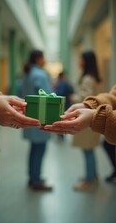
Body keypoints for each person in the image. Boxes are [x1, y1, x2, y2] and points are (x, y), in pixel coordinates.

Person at [43, 51, 102, 191]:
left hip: (87, 118)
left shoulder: (88, 78)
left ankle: (88, 180)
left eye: (81, 59)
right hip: (92, 117)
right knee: (90, 149)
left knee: (87, 149)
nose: (79, 61)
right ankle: (92, 175)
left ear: (86, 61)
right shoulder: (93, 77)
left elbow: (86, 98)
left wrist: (73, 97)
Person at [21, 50, 53, 192]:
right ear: (39, 59)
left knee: (34, 149)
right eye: (43, 57)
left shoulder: (27, 74)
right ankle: (37, 181)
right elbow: (49, 99)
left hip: (29, 117)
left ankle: (32, 176)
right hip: (41, 119)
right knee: (40, 149)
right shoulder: (40, 75)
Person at [42, 84, 116, 144]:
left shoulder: (88, 78)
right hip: (87, 112)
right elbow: (114, 95)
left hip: (90, 116)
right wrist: (89, 105)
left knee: (88, 150)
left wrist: (98, 117)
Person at [54, 71, 74, 140]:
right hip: (66, 104)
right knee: (63, 119)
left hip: (62, 104)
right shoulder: (66, 83)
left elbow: (59, 94)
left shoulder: (62, 83)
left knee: (60, 119)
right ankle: (61, 133)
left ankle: (60, 133)